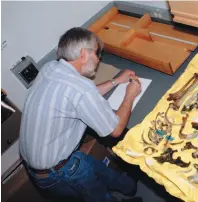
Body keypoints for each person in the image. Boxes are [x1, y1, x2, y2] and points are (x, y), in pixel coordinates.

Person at [19, 27, 142, 202]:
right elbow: (115, 129)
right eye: (97, 54)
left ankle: (128, 187)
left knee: (98, 167)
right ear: (84, 53)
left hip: (55, 158)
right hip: (57, 172)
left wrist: (116, 81)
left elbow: (78, 97)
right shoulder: (80, 88)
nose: (98, 60)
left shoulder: (50, 68)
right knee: (100, 197)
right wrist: (130, 94)